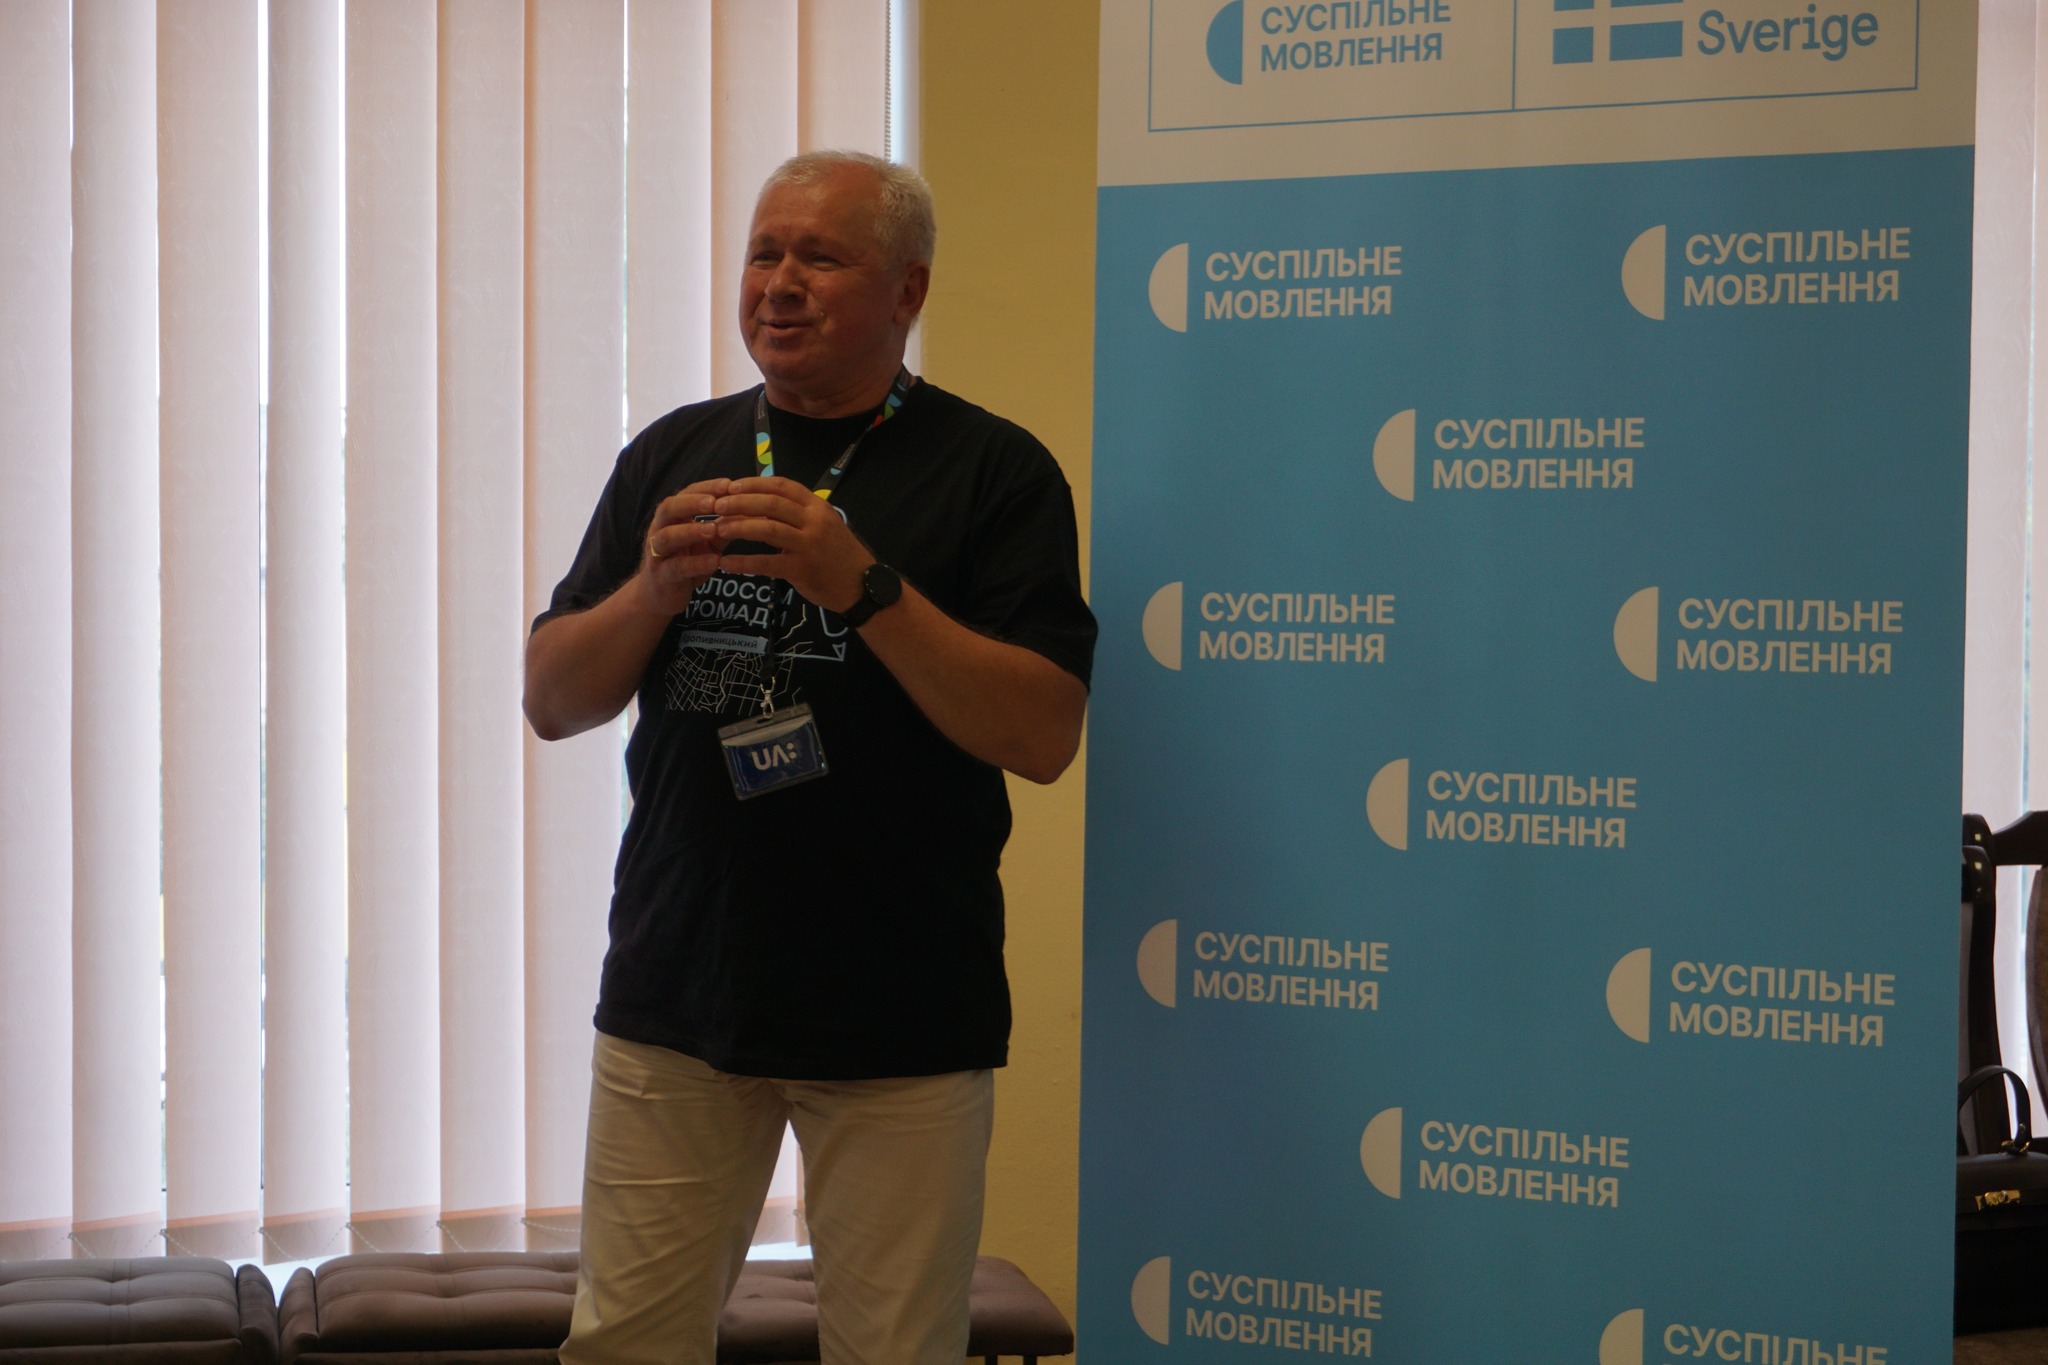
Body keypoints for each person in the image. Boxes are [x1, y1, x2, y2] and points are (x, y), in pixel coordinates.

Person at [525, 149, 1097, 1365]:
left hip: (899, 1008)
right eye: (762, 253)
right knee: (624, 1344)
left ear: (906, 291)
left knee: (893, 1350)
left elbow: (1042, 732)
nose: (778, 283)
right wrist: (650, 592)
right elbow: (553, 699)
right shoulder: (672, 455)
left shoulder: (995, 472)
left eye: (819, 258)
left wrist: (862, 584)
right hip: (678, 994)